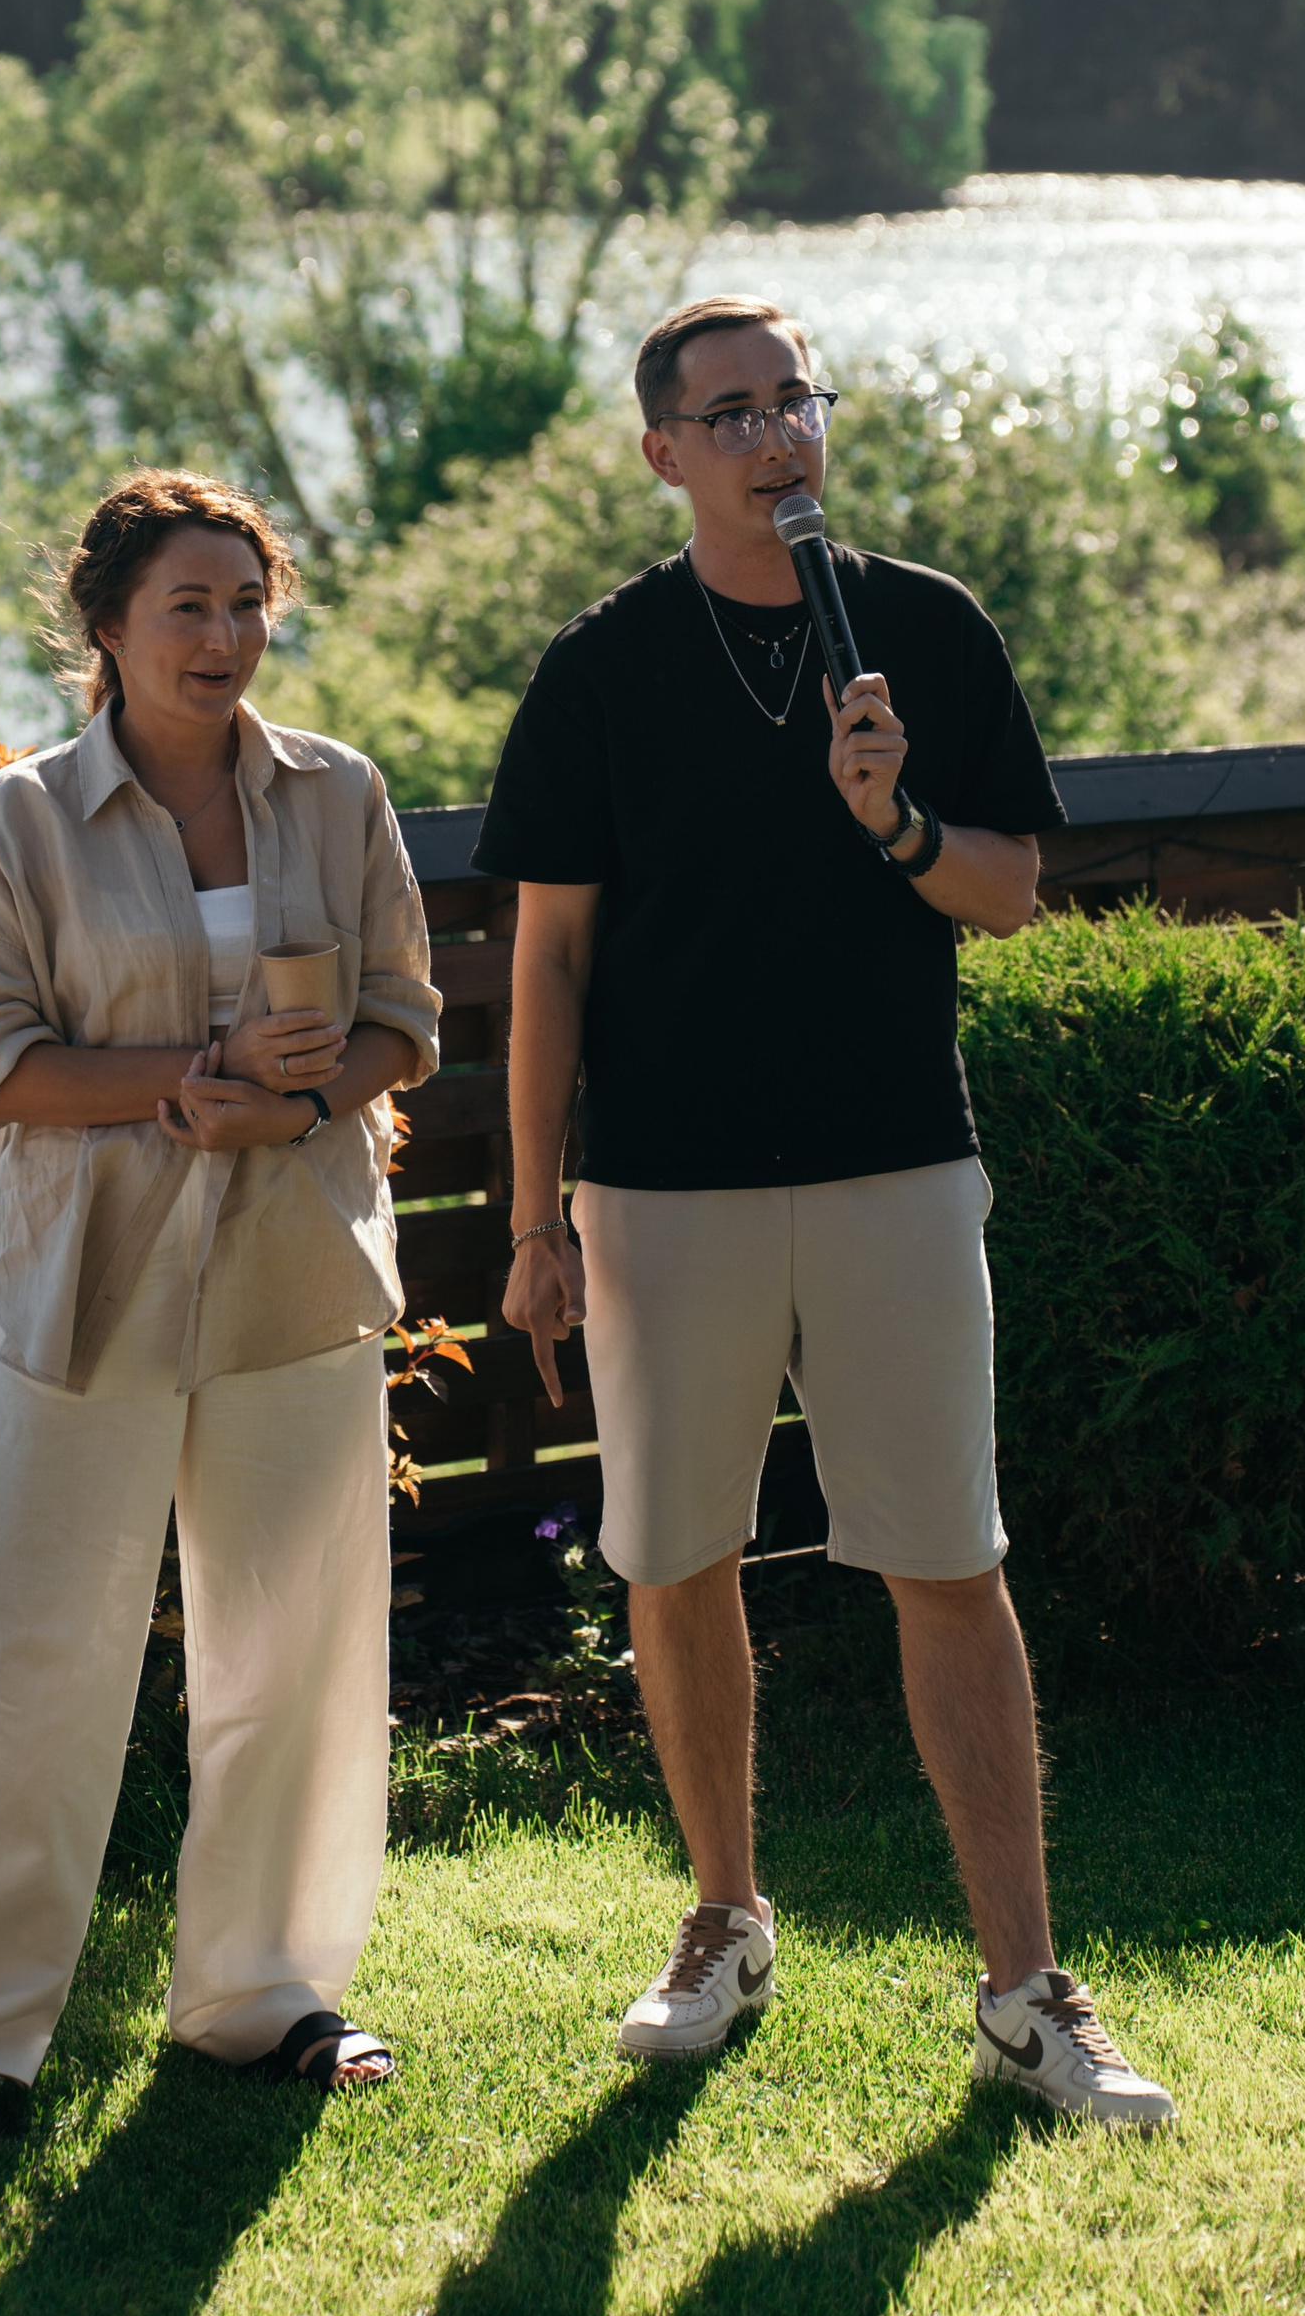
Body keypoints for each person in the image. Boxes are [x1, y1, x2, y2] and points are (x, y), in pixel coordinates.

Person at [481, 299, 1173, 2130]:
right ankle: (724, 1920)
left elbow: (1010, 892)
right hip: (662, 1188)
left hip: (895, 1166)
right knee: (676, 1560)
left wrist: (897, 821)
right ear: (664, 452)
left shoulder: (926, 627)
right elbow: (548, 962)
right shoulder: (603, 665)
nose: (777, 436)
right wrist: (537, 1217)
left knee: (949, 1560)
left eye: (797, 401)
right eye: (733, 413)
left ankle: (1026, 1991)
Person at [0, 468, 440, 2133]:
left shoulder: (340, 793)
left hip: (298, 1274)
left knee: (293, 1649)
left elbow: (405, 1019)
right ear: (107, 625)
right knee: (37, 1661)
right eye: (190, 606)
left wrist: (297, 1108)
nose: (225, 636)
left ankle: (265, 1996)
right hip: (84, 1290)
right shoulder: (20, 820)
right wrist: (199, 1073)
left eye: (249, 605)